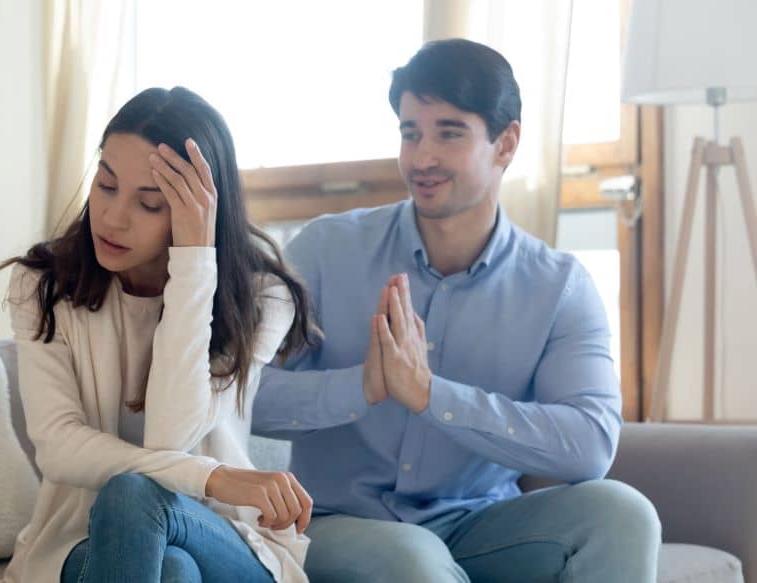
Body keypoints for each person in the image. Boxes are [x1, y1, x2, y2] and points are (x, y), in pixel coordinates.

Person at [252, 38, 661, 582]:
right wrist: (363, 387)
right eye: (410, 132)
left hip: (480, 524)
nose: (422, 158)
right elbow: (241, 396)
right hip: (335, 524)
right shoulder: (325, 251)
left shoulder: (559, 288)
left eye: (449, 133)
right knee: (414, 562)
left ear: (506, 143)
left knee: (624, 515)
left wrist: (431, 396)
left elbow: (588, 445)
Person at [0, 86, 317, 583]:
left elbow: (172, 434)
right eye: (105, 186)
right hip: (86, 542)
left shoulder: (262, 297)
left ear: (203, 213)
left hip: (231, 544)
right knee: (169, 567)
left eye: (149, 204)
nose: (113, 217)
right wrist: (213, 477)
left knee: (135, 495)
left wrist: (192, 264)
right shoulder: (44, 284)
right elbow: (59, 446)